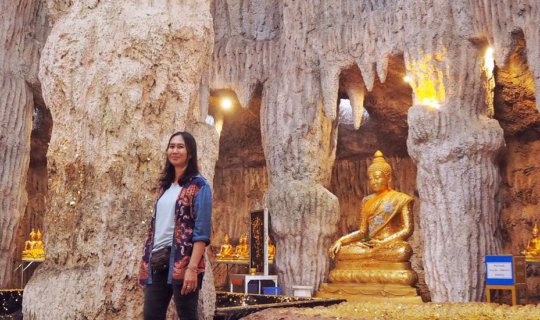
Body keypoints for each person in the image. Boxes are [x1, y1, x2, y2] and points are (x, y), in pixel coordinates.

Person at [138, 131, 212, 320]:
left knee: (187, 316)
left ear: (190, 153)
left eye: (180, 147)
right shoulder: (165, 187)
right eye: (172, 146)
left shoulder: (199, 186)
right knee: (151, 315)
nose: (175, 150)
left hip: (183, 261)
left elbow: (201, 233)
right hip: (158, 259)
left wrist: (192, 268)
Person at [329, 150, 414, 264]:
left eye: (377, 177)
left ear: (388, 178)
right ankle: (371, 255)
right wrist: (341, 240)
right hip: (369, 244)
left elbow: (407, 229)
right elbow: (363, 231)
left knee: (403, 251)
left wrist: (383, 243)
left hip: (390, 245)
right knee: (341, 251)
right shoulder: (366, 201)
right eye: (371, 178)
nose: (373, 182)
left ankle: (371, 256)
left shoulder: (400, 198)